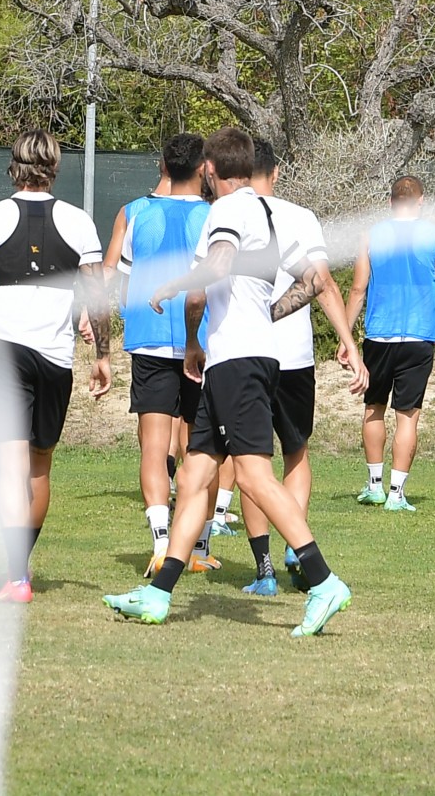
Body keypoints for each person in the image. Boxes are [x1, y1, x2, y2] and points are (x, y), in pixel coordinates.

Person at [105, 126, 354, 636]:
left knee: (255, 475)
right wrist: (266, 311)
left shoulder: (226, 209)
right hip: (245, 357)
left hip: (236, 361)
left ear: (210, 171)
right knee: (194, 476)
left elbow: (211, 274)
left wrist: (178, 291)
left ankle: (325, 581)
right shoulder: (264, 211)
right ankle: (156, 595)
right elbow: (313, 280)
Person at [0, 130, 110, 603]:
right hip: (56, 358)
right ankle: (20, 569)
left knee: (9, 464)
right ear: (55, 167)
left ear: (13, 167)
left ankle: (17, 574)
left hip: (4, 353)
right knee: (39, 466)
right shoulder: (79, 222)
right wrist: (102, 355)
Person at [238, 140, 364, 596]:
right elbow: (322, 282)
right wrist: (349, 343)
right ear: (275, 172)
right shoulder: (301, 216)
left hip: (244, 354)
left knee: (251, 463)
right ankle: (297, 545)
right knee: (296, 452)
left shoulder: (227, 214)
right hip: (294, 358)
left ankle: (265, 569)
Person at [102, 132, 208, 565]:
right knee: (201, 447)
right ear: (204, 169)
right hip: (200, 342)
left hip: (147, 340)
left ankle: (162, 543)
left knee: (153, 445)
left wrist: (103, 334)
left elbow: (114, 280)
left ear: (163, 165)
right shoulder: (215, 216)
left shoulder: (133, 213)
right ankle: (198, 547)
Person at [346, 174, 435, 513]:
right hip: (420, 335)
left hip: (379, 334)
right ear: (421, 201)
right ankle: (396, 493)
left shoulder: (371, 235)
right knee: (408, 416)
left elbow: (358, 288)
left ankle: (374, 485)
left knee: (373, 407)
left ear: (390, 202)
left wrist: (345, 335)